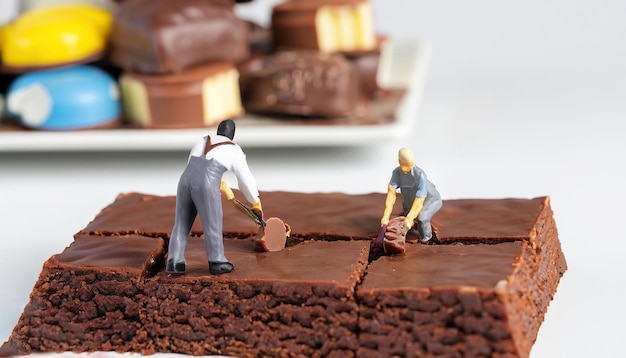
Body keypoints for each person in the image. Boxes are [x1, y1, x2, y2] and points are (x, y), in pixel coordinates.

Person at [166, 119, 262, 275]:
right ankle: (217, 260)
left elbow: (193, 164)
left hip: (184, 181)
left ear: (218, 131)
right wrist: (255, 200)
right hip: (207, 183)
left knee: (181, 223)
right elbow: (245, 181)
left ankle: (174, 261)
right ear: (232, 134)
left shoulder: (202, 139)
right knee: (212, 223)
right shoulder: (234, 149)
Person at [380, 148, 442, 243]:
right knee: (403, 218)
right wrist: (385, 217)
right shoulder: (396, 173)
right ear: (399, 161)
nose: (406, 168)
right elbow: (391, 195)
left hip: (430, 200)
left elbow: (419, 200)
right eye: (403, 164)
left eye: (409, 164)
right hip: (410, 201)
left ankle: (427, 239)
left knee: (422, 218)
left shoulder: (420, 175)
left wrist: (410, 218)